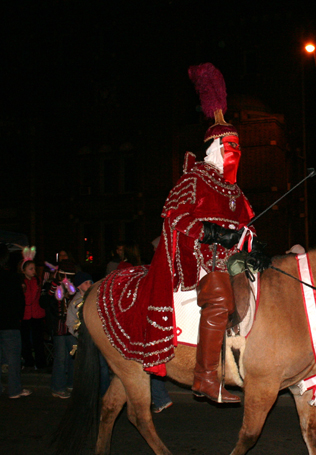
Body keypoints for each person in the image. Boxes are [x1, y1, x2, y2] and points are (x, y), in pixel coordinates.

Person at [111, 63, 266, 404]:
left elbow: (248, 228)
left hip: (234, 263)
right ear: (214, 148)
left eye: (237, 148)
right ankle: (206, 378)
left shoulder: (236, 192)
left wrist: (250, 243)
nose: (234, 153)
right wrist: (216, 234)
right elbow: (175, 218)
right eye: (229, 147)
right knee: (221, 297)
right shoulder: (194, 179)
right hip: (198, 263)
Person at [0, 243, 30, 398]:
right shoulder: (11, 277)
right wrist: (18, 318)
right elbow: (19, 301)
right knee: (13, 357)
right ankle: (14, 389)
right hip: (9, 323)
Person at [41, 260, 78, 399]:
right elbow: (44, 303)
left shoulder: (73, 287)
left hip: (72, 328)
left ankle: (71, 384)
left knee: (73, 356)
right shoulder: (52, 285)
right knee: (61, 358)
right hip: (59, 329)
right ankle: (58, 387)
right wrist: (54, 286)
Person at [20, 256, 47, 370]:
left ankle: (40, 363)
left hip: (37, 314)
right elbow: (28, 300)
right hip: (25, 314)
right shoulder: (22, 282)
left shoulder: (37, 281)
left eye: (34, 268)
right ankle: (28, 362)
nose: (33, 271)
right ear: (23, 270)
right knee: (25, 341)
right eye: (30, 269)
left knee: (38, 341)